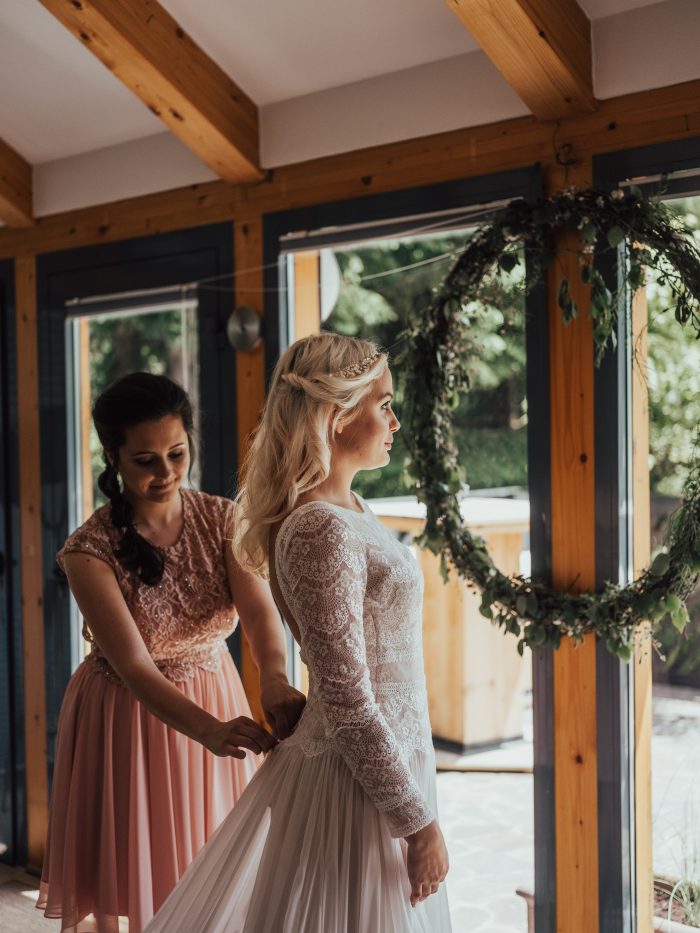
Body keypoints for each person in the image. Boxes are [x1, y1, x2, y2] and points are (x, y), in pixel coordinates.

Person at [145, 334, 451, 932]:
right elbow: (345, 693)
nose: (394, 418)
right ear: (336, 415)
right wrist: (417, 823)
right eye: (383, 403)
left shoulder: (352, 508)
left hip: (388, 760)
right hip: (353, 781)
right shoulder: (319, 528)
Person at [37, 372, 305, 933]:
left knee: (212, 873)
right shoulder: (88, 551)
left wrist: (276, 679)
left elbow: (259, 616)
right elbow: (134, 664)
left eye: (176, 454)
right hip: (127, 715)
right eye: (145, 460)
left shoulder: (222, 518)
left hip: (215, 686)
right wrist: (208, 730)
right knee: (132, 875)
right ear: (113, 459)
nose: (165, 473)